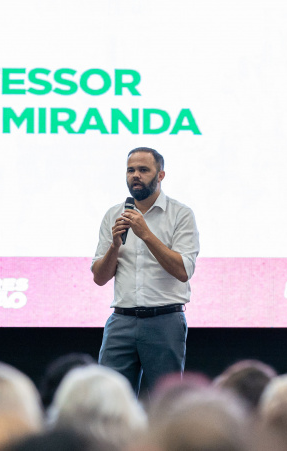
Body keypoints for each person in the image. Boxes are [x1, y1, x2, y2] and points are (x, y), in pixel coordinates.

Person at [91, 147, 200, 396]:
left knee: (166, 400)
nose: (135, 176)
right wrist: (115, 246)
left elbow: (183, 271)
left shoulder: (180, 214)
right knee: (108, 399)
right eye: (131, 170)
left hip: (164, 320)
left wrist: (146, 234)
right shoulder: (113, 215)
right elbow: (99, 278)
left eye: (143, 170)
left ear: (160, 175)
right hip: (121, 321)